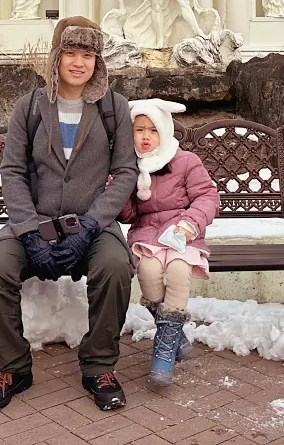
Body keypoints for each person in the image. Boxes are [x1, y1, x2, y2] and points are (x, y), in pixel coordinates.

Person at [0, 16, 137, 412]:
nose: (79, 63)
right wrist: (29, 233)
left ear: (98, 61)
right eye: (70, 52)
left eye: (88, 54)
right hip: (36, 224)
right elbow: (11, 171)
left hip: (91, 227)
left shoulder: (113, 107)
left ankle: (98, 365)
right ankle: (12, 368)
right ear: (56, 56)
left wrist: (91, 225)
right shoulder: (29, 106)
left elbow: (126, 171)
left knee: (115, 268)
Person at [117, 98, 221, 386]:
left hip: (182, 233)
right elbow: (129, 215)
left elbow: (207, 196)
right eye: (139, 130)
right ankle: (176, 335)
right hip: (148, 234)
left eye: (153, 130)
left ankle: (163, 352)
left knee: (177, 272)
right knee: (148, 272)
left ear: (164, 130)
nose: (146, 136)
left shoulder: (185, 161)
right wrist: (117, 188)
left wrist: (190, 223)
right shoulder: (131, 166)